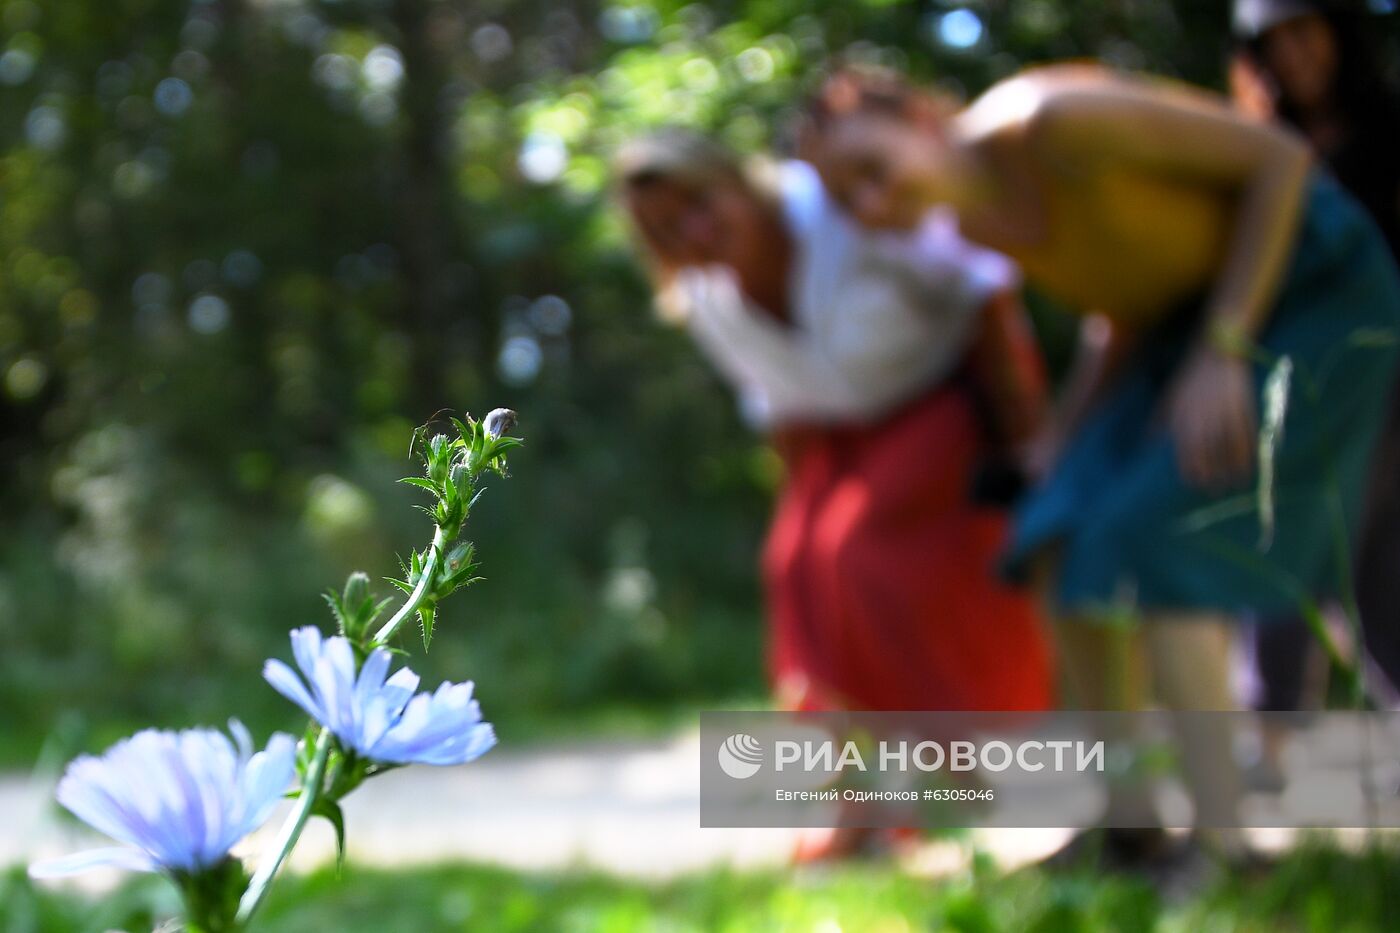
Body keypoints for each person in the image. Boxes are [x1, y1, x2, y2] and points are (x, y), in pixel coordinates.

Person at [800, 63, 1400, 862]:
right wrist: (1063, 439)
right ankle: (1129, 821)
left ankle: (1227, 844)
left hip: (1302, 287)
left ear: (919, 116)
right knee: (1053, 530)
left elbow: (1278, 159)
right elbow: (1120, 304)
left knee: (1159, 532)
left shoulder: (1052, 124)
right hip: (1177, 330)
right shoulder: (976, 226)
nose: (872, 204)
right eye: (847, 202)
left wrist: (1225, 345)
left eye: (872, 170)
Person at [615, 129, 1052, 720]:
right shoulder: (705, 298)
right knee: (792, 562)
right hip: (836, 436)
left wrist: (1024, 434)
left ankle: (944, 745)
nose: (692, 232)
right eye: (666, 228)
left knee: (857, 551)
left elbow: (982, 283)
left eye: (700, 204)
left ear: (736, 180)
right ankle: (844, 776)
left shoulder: (837, 209)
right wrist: (799, 517)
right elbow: (778, 412)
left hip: (948, 394)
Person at [1229, 0, 1400, 754]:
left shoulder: (1387, 137)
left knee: (1370, 557)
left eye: (1304, 30)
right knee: (1280, 548)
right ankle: (1264, 750)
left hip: (1383, 380)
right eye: (1273, 40)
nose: (1292, 53)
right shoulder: (1255, 146)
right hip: (1287, 387)